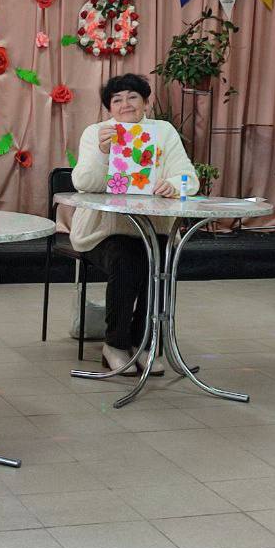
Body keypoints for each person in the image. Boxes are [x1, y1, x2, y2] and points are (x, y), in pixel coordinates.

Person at [68, 73, 198, 376]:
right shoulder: (97, 133)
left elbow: (189, 179)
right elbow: (83, 183)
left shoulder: (163, 132)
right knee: (127, 257)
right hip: (104, 232)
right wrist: (103, 154)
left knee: (160, 257)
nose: (125, 104)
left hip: (155, 229)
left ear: (146, 103)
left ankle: (146, 344)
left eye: (132, 97)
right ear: (109, 108)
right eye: (117, 100)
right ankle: (115, 344)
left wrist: (172, 184)